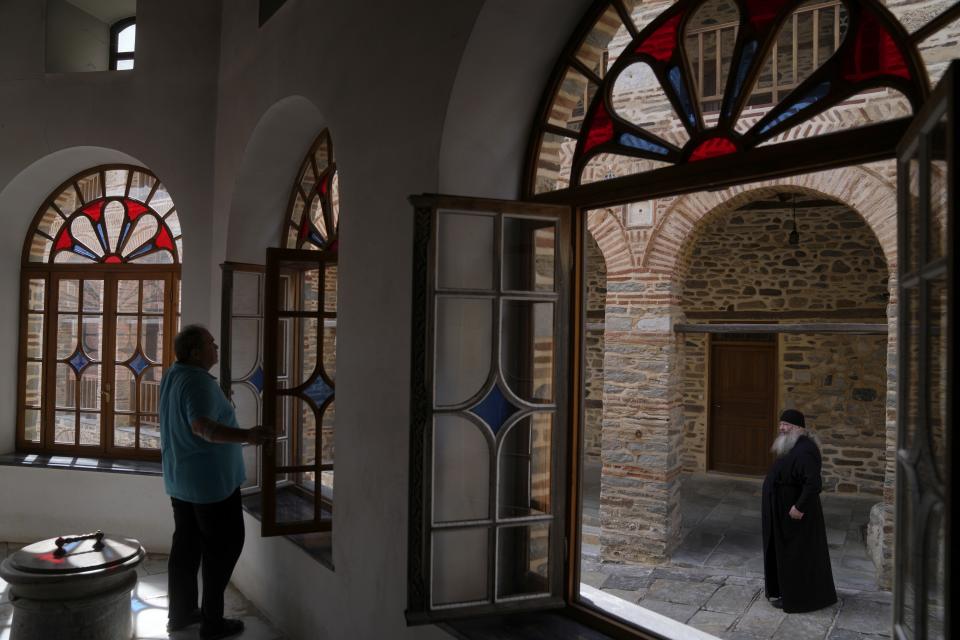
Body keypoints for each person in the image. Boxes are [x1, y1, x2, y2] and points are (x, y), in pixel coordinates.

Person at [160, 324, 271, 639]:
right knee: (222, 549)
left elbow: (192, 413)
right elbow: (202, 428)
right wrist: (248, 435)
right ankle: (212, 623)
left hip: (181, 480)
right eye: (211, 344)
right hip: (210, 486)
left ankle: (180, 614)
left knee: (186, 548)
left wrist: (219, 402)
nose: (216, 348)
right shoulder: (197, 383)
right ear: (196, 352)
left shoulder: (175, 374)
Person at [761, 408, 837, 613]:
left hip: (795, 512)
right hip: (784, 508)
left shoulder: (806, 450)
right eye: (781, 424)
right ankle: (786, 592)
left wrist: (799, 507)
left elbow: (813, 484)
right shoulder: (793, 445)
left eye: (787, 425)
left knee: (795, 555)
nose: (782, 428)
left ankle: (798, 598)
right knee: (785, 553)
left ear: (799, 428)